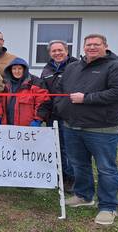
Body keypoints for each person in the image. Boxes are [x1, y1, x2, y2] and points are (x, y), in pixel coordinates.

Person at [55, 34, 118, 225]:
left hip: (102, 129)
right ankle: (83, 195)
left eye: (96, 44)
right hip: (72, 126)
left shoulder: (116, 67)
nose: (91, 47)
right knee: (78, 164)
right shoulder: (73, 67)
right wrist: (62, 108)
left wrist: (86, 98)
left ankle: (108, 206)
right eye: (88, 44)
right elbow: (60, 90)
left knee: (106, 169)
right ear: (83, 47)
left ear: (105, 46)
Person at [40, 40, 78, 192]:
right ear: (50, 53)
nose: (57, 53)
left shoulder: (76, 66)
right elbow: (43, 93)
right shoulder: (47, 70)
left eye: (60, 50)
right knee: (56, 146)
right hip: (53, 115)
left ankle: (73, 178)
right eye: (53, 51)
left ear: (66, 50)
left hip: (71, 114)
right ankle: (60, 175)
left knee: (71, 148)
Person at [0, 58, 49, 126]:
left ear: (24, 70)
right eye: (14, 69)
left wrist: (38, 119)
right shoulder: (6, 84)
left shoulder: (36, 83)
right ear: (10, 70)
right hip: (7, 125)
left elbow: (42, 101)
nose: (17, 71)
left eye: (20, 68)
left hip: (27, 127)